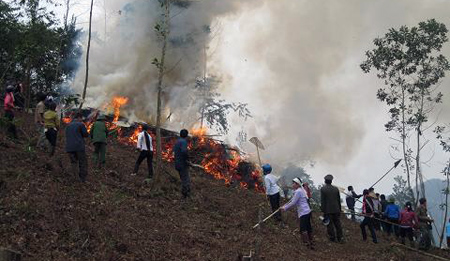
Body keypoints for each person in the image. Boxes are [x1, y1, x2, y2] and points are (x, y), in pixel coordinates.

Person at [281, 178, 314, 249]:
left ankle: (306, 243)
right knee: (308, 227)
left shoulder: (298, 192)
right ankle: (311, 241)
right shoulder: (300, 190)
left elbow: (293, 202)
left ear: (298, 184)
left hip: (303, 212)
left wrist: (285, 208)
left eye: (294, 183)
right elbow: (292, 201)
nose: (292, 185)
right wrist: (284, 206)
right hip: (307, 211)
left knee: (303, 228)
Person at [65, 113, 89, 182]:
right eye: (81, 118)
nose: (82, 120)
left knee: (73, 162)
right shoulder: (80, 124)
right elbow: (85, 134)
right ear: (79, 117)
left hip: (69, 147)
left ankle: (74, 177)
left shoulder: (68, 125)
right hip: (78, 147)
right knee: (82, 162)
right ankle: (82, 179)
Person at [320, 174, 343, 243]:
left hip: (328, 210)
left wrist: (323, 210)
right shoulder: (336, 189)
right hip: (336, 209)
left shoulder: (323, 189)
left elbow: (323, 201)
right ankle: (340, 238)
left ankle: (332, 238)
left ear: (325, 181)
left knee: (329, 225)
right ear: (331, 181)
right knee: (338, 224)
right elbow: (338, 200)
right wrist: (339, 209)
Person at [173, 129, 190, 198]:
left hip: (177, 163)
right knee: (185, 179)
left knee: (184, 178)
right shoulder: (184, 142)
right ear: (186, 135)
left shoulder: (177, 141)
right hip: (182, 164)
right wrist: (187, 159)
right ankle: (185, 195)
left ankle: (186, 192)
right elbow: (183, 151)